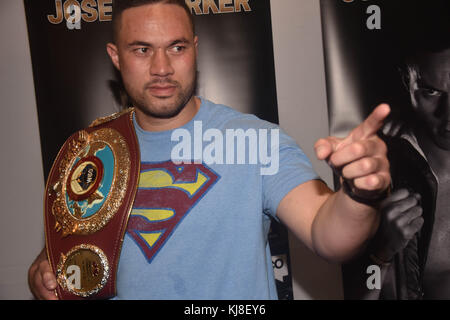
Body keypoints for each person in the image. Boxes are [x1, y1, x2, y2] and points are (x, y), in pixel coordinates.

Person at [28, 0, 391, 300]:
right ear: (116, 56)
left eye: (177, 47)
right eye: (142, 50)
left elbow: (327, 234)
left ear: (195, 50)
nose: (161, 68)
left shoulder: (254, 140)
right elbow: (65, 256)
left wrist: (360, 194)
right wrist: (42, 273)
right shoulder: (93, 153)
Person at [343, 29, 450, 299]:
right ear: (408, 84)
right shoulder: (377, 174)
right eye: (432, 93)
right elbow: (357, 296)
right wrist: (381, 253)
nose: (449, 116)